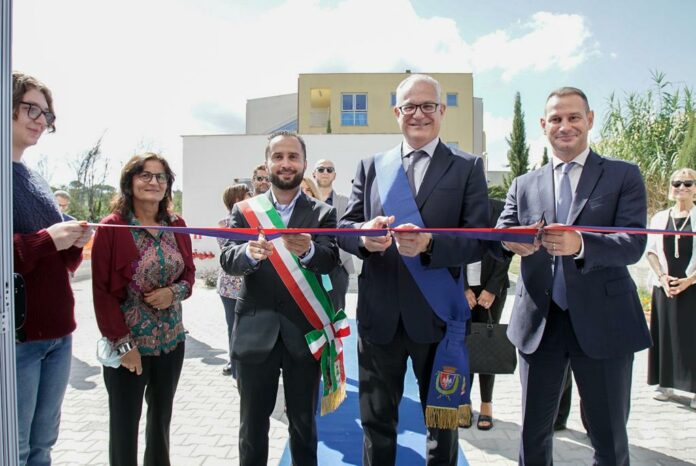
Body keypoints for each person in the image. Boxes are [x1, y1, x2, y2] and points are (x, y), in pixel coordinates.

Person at [339, 74, 489, 466]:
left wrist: (430, 244)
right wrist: (364, 237)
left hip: (437, 319)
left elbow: (479, 239)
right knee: (377, 426)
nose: (418, 114)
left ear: (442, 110)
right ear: (397, 112)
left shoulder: (467, 166)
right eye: (409, 106)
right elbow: (345, 228)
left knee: (441, 428)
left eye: (427, 106)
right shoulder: (372, 167)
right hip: (379, 319)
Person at [497, 87, 651, 465]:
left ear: (590, 120)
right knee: (533, 437)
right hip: (540, 325)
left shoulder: (623, 175)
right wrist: (513, 242)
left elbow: (632, 244)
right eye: (556, 119)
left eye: (573, 117)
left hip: (605, 323)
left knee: (609, 438)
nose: (564, 126)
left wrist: (580, 243)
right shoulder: (523, 183)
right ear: (543, 124)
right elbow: (503, 232)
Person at [220, 131, 339, 466]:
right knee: (252, 428)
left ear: (304, 163)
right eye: (278, 156)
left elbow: (330, 260)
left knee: (303, 427)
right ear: (267, 162)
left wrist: (310, 251)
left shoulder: (322, 212)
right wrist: (248, 253)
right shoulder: (245, 211)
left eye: (293, 157)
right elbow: (228, 259)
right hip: (255, 333)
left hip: (305, 333)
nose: (285, 164)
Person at [91, 153, 195, 466]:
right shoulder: (113, 227)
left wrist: (173, 292)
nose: (153, 182)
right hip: (129, 347)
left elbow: (189, 274)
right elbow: (101, 293)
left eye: (160, 176)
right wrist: (124, 345)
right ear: (130, 182)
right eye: (145, 175)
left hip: (171, 343)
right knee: (124, 429)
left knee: (161, 423)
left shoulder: (176, 225)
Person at [12, 71, 92, 466]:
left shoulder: (35, 179)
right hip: (19, 340)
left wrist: (73, 244)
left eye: (47, 114)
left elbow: (60, 264)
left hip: (58, 335)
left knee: (43, 445)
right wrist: (49, 239)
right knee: (16, 448)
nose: (41, 121)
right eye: (32, 109)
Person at [646, 168, 696, 409]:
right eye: (677, 183)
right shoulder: (659, 218)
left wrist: (689, 280)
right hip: (665, 286)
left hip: (692, 285)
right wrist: (662, 276)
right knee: (665, 335)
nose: (681, 188)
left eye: (688, 183)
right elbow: (651, 251)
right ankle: (664, 385)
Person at [461, 197, 511, 431]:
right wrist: (462, 288)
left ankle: (486, 404)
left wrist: (492, 288)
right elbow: (449, 247)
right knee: (464, 345)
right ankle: (464, 401)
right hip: (463, 291)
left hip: (493, 289)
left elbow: (507, 250)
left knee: (487, 344)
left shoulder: (500, 209)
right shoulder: (457, 207)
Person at [217, 183, 252, 377]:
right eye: (248, 194)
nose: (252, 197)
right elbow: (230, 251)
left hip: (250, 285)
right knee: (233, 326)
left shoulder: (254, 221)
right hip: (230, 287)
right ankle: (236, 367)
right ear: (237, 199)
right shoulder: (224, 224)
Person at [313, 159, 355, 313]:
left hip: (338, 266)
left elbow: (350, 231)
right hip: (310, 265)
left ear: (334, 175)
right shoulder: (306, 202)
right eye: (321, 169)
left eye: (329, 170)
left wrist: (337, 258)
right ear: (314, 174)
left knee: (336, 313)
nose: (325, 172)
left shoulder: (346, 202)